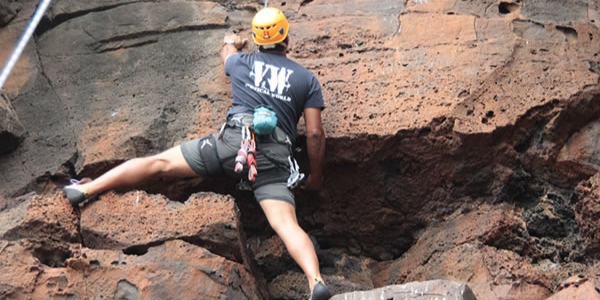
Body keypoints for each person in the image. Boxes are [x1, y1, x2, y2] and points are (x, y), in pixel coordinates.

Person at [63, 6, 331, 300]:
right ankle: (315, 281)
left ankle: (88, 189)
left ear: (257, 39)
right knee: (285, 225)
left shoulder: (241, 61)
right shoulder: (305, 79)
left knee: (159, 164)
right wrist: (315, 176)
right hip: (272, 162)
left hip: (233, 144)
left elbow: (226, 53)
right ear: (287, 39)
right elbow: (315, 134)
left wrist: (231, 40)